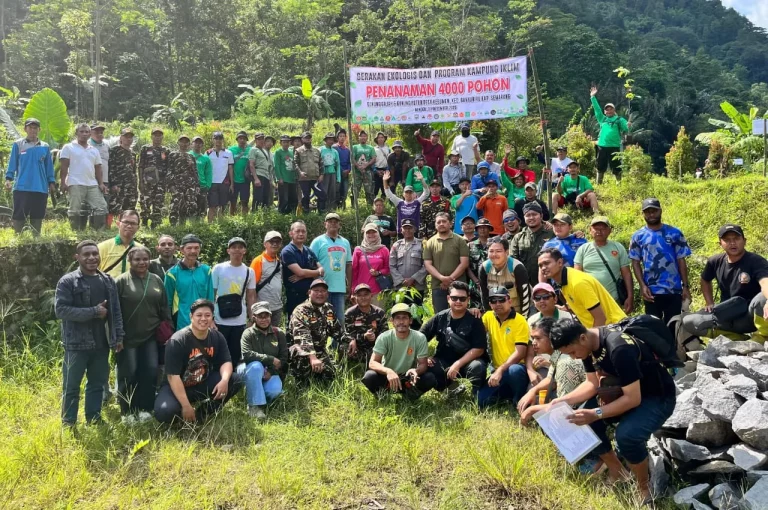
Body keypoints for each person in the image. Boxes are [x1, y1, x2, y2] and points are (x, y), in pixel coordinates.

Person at [548, 319, 676, 504]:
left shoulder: (618, 348)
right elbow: (591, 383)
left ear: (582, 337)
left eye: (573, 352)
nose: (574, 357)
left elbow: (633, 399)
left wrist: (596, 413)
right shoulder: (588, 346)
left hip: (657, 398)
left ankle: (643, 485)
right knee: (577, 419)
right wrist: (565, 399)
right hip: (623, 394)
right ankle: (617, 469)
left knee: (626, 436)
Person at [56, 240, 124, 426]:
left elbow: (115, 311)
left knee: (96, 384)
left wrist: (118, 336)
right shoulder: (68, 281)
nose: (92, 257)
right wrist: (93, 311)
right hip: (76, 344)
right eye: (86, 254)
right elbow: (61, 310)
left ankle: (93, 418)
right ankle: (69, 422)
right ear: (77, 257)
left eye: (95, 253)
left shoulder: (108, 280)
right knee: (71, 386)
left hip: (102, 343)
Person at [154, 299, 243, 424]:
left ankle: (203, 413)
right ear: (191, 317)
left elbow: (226, 361)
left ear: (212, 317)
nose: (203, 319)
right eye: (199, 315)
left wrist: (224, 381)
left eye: (207, 315)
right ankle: (183, 413)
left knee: (235, 380)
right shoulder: (178, 341)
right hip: (176, 386)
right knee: (164, 412)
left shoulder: (217, 337)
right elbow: (172, 376)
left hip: (201, 382)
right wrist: (185, 405)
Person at [682, 224, 768, 342]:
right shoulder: (715, 261)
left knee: (763, 298)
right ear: (720, 244)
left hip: (752, 316)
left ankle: (762, 337)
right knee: (690, 321)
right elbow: (705, 280)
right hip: (727, 314)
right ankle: (738, 340)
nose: (732, 243)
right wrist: (709, 302)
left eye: (736, 239)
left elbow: (765, 281)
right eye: (727, 240)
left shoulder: (756, 261)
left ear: (744, 241)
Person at [115, 246, 171, 422]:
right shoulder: (121, 282)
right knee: (128, 373)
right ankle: (127, 410)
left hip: (151, 336)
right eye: (137, 259)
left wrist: (168, 329)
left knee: (150, 371)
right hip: (127, 337)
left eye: (145, 259)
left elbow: (164, 306)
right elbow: (114, 311)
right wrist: (117, 336)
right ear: (130, 261)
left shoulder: (156, 280)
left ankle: (145, 408)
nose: (141, 263)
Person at [629, 198, 691, 325]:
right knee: (654, 328)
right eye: (648, 212)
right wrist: (642, 285)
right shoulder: (638, 236)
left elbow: (681, 260)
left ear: (660, 211)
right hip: (651, 291)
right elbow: (635, 262)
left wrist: (685, 286)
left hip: (673, 289)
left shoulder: (674, 233)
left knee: (674, 326)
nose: (651, 214)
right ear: (643, 214)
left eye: (654, 211)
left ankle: (674, 346)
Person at [421, 281, 488, 394]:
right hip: (444, 361)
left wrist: (458, 364)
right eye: (454, 298)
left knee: (478, 367)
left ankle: (477, 395)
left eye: (462, 299)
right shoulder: (440, 317)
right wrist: (424, 357)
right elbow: (419, 337)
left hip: (468, 362)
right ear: (448, 298)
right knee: (430, 366)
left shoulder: (475, 319)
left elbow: (479, 349)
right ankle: (451, 388)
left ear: (468, 300)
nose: (458, 301)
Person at [517, 317, 584, 426]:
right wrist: (532, 391)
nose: (533, 343)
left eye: (538, 338)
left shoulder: (565, 363)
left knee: (549, 427)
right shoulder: (558, 355)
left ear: (552, 338)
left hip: (586, 409)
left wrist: (532, 410)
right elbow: (549, 379)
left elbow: (565, 407)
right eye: (532, 338)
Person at [362, 303, 437, 399]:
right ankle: (383, 395)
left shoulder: (419, 337)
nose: (401, 321)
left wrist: (416, 371)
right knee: (369, 376)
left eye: (405, 318)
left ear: (410, 320)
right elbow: (372, 363)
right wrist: (388, 371)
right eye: (397, 318)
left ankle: (409, 396)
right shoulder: (384, 337)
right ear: (392, 321)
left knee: (429, 378)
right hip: (388, 377)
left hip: (408, 378)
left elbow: (423, 364)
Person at [538, 248, 626, 327]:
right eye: (540, 265)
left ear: (560, 262)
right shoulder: (565, 280)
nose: (543, 268)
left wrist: (592, 342)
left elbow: (601, 318)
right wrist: (568, 308)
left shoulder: (577, 283)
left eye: (547, 263)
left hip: (615, 329)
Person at [476, 287, 530, 407]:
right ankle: (508, 394)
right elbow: (476, 332)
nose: (498, 304)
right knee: (480, 401)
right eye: (493, 301)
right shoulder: (488, 317)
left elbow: (520, 353)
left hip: (517, 369)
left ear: (509, 301)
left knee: (514, 370)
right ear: (489, 303)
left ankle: (519, 398)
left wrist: (500, 370)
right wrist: (470, 311)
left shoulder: (520, 321)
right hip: (497, 371)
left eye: (501, 300)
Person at [238, 302, 289, 420]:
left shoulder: (278, 333)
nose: (264, 319)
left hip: (270, 371)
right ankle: (254, 406)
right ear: (254, 317)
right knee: (256, 366)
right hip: (248, 368)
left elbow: (283, 357)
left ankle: (253, 390)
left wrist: (271, 371)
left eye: (267, 316)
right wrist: (270, 358)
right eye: (260, 316)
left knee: (274, 391)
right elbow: (247, 355)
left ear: (270, 317)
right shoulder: (248, 333)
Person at [5, 118, 55, 235]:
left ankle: (36, 237)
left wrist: (51, 182)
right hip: (22, 187)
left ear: (39, 129)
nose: (33, 130)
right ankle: (18, 237)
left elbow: (49, 167)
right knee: (19, 214)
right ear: (25, 129)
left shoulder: (45, 146)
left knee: (37, 214)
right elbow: (12, 163)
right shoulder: (18, 145)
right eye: (30, 127)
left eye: (35, 128)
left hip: (40, 187)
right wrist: (8, 179)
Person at [575, 216, 634, 314]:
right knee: (592, 328)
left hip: (613, 299)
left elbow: (626, 274)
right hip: (590, 300)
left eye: (603, 228)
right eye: (596, 228)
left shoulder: (618, 247)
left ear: (609, 231)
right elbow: (577, 276)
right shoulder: (583, 249)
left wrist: (630, 296)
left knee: (614, 328)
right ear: (590, 230)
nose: (599, 231)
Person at [212, 237, 257, 365]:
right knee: (218, 352)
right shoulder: (218, 268)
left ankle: (234, 381)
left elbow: (251, 295)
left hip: (239, 319)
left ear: (245, 251)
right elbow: (212, 293)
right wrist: (211, 318)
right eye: (234, 247)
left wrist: (251, 317)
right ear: (228, 250)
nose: (237, 250)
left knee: (236, 352)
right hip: (220, 318)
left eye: (240, 247)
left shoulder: (249, 271)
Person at [288, 279, 342, 382]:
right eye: (316, 290)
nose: (319, 294)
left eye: (323, 291)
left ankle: (317, 374)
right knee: (303, 360)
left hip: (319, 350)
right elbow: (303, 336)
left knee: (332, 376)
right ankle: (300, 380)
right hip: (300, 350)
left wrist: (350, 340)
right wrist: (312, 357)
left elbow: (337, 331)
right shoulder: (301, 310)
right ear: (309, 293)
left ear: (327, 294)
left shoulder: (328, 309)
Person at [59, 123, 108, 230]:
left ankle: (97, 231)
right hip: (75, 182)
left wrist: (101, 183)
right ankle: (76, 231)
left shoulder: (93, 150)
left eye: (86, 132)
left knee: (101, 207)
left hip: (92, 183)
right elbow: (64, 166)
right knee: (74, 209)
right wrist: (63, 182)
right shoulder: (68, 147)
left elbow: (98, 168)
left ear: (90, 134)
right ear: (76, 133)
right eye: (81, 131)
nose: (84, 134)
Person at [310, 213, 353, 328]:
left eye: (335, 222)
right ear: (325, 224)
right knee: (320, 320)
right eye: (330, 222)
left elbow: (349, 264)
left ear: (339, 225)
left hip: (339, 287)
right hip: (321, 288)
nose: (333, 224)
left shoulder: (345, 242)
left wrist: (349, 284)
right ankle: (321, 345)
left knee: (339, 320)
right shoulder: (317, 241)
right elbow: (311, 263)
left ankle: (337, 345)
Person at [164, 234, 214, 331]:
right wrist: (169, 326)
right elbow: (167, 303)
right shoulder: (172, 274)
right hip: (181, 323)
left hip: (203, 322)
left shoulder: (206, 270)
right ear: (182, 250)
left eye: (196, 248)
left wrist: (211, 319)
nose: (193, 251)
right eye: (189, 248)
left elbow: (210, 297)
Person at [423, 212, 470, 312]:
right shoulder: (430, 242)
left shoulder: (460, 240)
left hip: (458, 285)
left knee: (460, 314)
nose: (441, 224)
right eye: (438, 222)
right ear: (435, 225)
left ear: (450, 223)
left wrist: (450, 279)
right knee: (440, 316)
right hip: (438, 285)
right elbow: (427, 264)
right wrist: (442, 278)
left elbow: (464, 263)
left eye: (444, 221)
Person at [282, 221, 324, 319]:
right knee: (295, 326)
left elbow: (322, 270)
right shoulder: (287, 251)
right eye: (298, 231)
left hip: (310, 297)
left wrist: (304, 274)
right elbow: (300, 272)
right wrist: (311, 273)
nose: (301, 234)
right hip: (295, 297)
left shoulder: (309, 250)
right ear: (291, 233)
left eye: (303, 231)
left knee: (313, 324)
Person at [479, 238, 530, 315]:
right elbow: (484, 294)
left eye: (498, 251)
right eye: (491, 251)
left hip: (517, 312)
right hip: (496, 314)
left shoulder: (516, 267)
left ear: (507, 252)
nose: (494, 254)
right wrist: (489, 316)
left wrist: (524, 318)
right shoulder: (484, 267)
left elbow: (525, 296)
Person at [590, 86, 629, 183]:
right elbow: (597, 109)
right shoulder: (602, 119)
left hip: (614, 146)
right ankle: (599, 183)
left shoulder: (619, 119)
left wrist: (627, 125)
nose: (608, 111)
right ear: (605, 112)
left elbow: (625, 129)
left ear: (614, 110)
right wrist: (592, 97)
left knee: (616, 165)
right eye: (607, 109)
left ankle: (619, 183)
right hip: (602, 146)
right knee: (600, 165)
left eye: (610, 109)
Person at [341, 283, 387, 363]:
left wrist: (375, 337)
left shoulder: (380, 312)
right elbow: (347, 333)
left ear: (371, 296)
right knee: (343, 347)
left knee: (385, 348)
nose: (363, 298)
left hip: (375, 346)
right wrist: (362, 337)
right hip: (358, 345)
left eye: (366, 295)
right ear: (355, 297)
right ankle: (354, 362)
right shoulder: (350, 313)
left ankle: (373, 360)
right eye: (359, 295)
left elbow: (386, 332)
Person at [511, 201, 554, 286]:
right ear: (524, 217)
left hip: (548, 283)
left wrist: (577, 234)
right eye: (528, 215)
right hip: (524, 284)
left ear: (541, 216)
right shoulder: (518, 237)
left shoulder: (552, 234)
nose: (531, 218)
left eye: (534, 214)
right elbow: (513, 261)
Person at [249, 231, 285, 327]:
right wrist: (252, 311)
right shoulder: (258, 261)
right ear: (265, 244)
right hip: (261, 309)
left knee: (274, 336)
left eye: (277, 241)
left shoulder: (279, 262)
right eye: (271, 241)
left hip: (277, 306)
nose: (275, 244)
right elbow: (251, 288)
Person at [389, 219, 428, 304]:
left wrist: (413, 279)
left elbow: (427, 265)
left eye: (410, 228)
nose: (407, 230)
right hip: (400, 287)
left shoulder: (422, 244)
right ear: (401, 230)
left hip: (417, 287)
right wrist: (401, 280)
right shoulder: (396, 245)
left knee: (416, 314)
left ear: (414, 229)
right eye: (405, 228)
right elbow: (392, 266)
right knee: (400, 313)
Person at [137, 128, 170, 228]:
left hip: (161, 182)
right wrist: (141, 181)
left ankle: (155, 225)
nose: (157, 137)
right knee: (145, 202)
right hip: (147, 181)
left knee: (158, 203)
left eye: (159, 135)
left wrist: (167, 183)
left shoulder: (166, 150)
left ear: (162, 137)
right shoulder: (145, 148)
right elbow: (140, 165)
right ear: (151, 136)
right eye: (155, 135)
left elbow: (168, 167)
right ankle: (144, 223)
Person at [97, 209, 145, 278]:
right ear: (118, 224)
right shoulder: (102, 247)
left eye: (133, 223)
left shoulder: (141, 249)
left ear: (138, 227)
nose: (129, 226)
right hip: (108, 287)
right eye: (126, 222)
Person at [351, 223, 390, 305]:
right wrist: (353, 290)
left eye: (374, 232)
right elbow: (354, 271)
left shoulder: (384, 249)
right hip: (361, 292)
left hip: (378, 292)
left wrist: (379, 272)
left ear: (378, 233)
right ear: (365, 234)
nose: (371, 234)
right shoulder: (358, 250)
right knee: (360, 317)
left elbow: (388, 269)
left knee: (378, 316)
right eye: (368, 232)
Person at [106, 127, 138, 222]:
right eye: (126, 136)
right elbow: (111, 168)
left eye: (130, 137)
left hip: (130, 185)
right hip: (119, 185)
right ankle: (108, 226)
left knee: (129, 207)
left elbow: (133, 170)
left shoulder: (133, 154)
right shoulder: (114, 151)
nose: (128, 139)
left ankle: (124, 224)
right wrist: (113, 184)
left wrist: (135, 185)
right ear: (121, 138)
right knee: (114, 206)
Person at [167, 135, 200, 225]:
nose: (184, 144)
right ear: (178, 143)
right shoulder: (173, 155)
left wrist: (197, 185)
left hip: (190, 185)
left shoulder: (191, 156)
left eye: (186, 142)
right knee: (175, 206)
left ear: (189, 144)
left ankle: (187, 226)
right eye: (182, 141)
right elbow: (169, 170)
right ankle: (173, 226)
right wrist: (171, 185)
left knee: (191, 206)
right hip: (177, 185)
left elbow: (195, 172)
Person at [383, 170, 429, 234]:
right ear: (403, 194)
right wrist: (385, 181)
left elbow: (426, 192)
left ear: (414, 194)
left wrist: (422, 180)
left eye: (410, 192)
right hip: (401, 232)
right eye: (406, 192)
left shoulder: (417, 202)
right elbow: (388, 193)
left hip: (415, 232)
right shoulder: (399, 203)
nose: (408, 194)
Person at [206, 132, 234, 222]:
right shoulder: (207, 153)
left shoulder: (228, 153)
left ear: (223, 140)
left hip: (224, 182)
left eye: (220, 138)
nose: (218, 140)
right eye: (216, 138)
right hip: (211, 183)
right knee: (212, 206)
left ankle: (221, 225)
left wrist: (232, 184)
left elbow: (230, 168)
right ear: (212, 140)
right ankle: (210, 225)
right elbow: (205, 168)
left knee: (223, 205)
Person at [88, 124, 111, 225]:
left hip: (105, 179)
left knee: (104, 203)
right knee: (92, 204)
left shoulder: (106, 146)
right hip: (91, 179)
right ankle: (93, 226)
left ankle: (103, 226)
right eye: (96, 131)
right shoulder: (87, 145)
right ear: (90, 133)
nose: (99, 134)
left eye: (101, 131)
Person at [295, 131, 324, 213]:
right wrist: (300, 172)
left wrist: (322, 175)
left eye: (309, 138)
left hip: (315, 179)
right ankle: (306, 213)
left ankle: (321, 213)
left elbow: (321, 164)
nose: (308, 139)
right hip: (304, 179)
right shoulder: (298, 151)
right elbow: (295, 163)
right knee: (305, 197)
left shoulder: (317, 151)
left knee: (322, 195)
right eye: (306, 138)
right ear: (302, 139)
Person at [467, 218, 493, 308]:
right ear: (476, 230)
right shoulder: (470, 245)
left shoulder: (495, 245)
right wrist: (476, 281)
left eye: (485, 227)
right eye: (480, 227)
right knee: (475, 310)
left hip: (493, 282)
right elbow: (467, 266)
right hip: (475, 284)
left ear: (489, 229)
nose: (482, 229)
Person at [248, 132, 274, 211]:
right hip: (258, 174)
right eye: (259, 139)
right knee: (258, 197)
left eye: (262, 139)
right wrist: (256, 178)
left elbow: (269, 166)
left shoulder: (265, 151)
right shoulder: (253, 150)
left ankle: (264, 216)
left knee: (265, 197)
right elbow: (251, 164)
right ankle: (255, 215)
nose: (261, 141)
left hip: (266, 175)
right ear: (255, 140)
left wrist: (270, 179)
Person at [228, 131, 251, 215]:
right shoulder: (231, 150)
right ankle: (232, 219)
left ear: (246, 140)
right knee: (233, 202)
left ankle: (244, 220)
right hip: (233, 180)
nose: (242, 140)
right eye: (240, 138)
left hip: (245, 180)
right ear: (237, 140)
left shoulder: (250, 150)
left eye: (244, 139)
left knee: (244, 202)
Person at [190, 136, 212, 220]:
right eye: (196, 142)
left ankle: (200, 225)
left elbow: (208, 173)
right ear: (192, 144)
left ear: (202, 145)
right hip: (190, 186)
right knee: (191, 208)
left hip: (202, 186)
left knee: (202, 209)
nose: (198, 144)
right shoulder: (188, 155)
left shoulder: (206, 158)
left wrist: (208, 185)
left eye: (200, 143)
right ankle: (190, 226)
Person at [274, 135, 298, 214]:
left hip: (292, 179)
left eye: (287, 142)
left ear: (290, 143)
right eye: (284, 142)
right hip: (283, 179)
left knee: (294, 199)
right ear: (280, 143)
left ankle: (291, 214)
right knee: (284, 199)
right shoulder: (278, 152)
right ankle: (281, 214)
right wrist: (279, 178)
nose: (286, 144)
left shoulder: (291, 151)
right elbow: (276, 165)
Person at [352, 130, 376, 206]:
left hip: (367, 172)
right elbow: (352, 158)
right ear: (358, 138)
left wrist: (366, 165)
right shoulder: (355, 147)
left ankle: (369, 206)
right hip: (356, 173)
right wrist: (358, 167)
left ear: (367, 137)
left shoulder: (370, 148)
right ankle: (354, 207)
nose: (363, 137)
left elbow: (374, 158)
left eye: (364, 136)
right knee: (355, 189)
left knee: (369, 190)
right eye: (361, 136)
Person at [319, 132, 340, 212]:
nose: (331, 141)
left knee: (332, 192)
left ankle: (331, 209)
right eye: (329, 139)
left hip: (333, 173)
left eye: (332, 140)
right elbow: (318, 163)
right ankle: (323, 209)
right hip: (324, 173)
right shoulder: (321, 149)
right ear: (326, 140)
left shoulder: (335, 151)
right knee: (324, 192)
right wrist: (320, 174)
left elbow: (338, 165)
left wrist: (338, 178)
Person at [333, 129, 352, 208]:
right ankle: (336, 205)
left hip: (346, 173)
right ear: (337, 137)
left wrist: (348, 170)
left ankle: (343, 205)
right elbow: (336, 161)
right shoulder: (335, 147)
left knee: (345, 189)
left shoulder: (347, 149)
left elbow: (349, 161)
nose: (342, 138)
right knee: (337, 189)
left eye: (343, 136)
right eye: (340, 136)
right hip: (337, 172)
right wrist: (342, 171)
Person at [372, 132, 390, 198]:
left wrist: (387, 170)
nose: (380, 139)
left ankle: (383, 203)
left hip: (385, 170)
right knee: (375, 188)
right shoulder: (373, 149)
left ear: (384, 138)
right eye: (379, 137)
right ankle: (374, 203)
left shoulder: (388, 149)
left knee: (384, 188)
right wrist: (376, 171)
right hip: (376, 170)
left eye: (382, 137)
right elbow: (372, 161)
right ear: (376, 139)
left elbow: (389, 161)